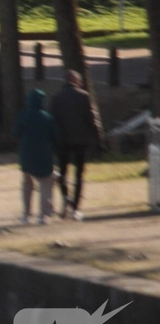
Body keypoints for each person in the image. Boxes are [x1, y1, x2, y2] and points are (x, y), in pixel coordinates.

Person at [50, 70, 97, 220]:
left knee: (63, 172)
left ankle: (65, 199)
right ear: (77, 81)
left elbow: (53, 120)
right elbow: (91, 119)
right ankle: (76, 206)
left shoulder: (56, 98)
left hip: (62, 141)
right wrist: (97, 138)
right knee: (79, 174)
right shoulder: (84, 96)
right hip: (80, 140)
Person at [16, 88, 60, 224]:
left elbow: (16, 132)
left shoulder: (24, 115)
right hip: (44, 155)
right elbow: (56, 137)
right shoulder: (47, 117)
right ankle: (43, 215)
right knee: (45, 185)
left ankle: (26, 214)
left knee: (27, 185)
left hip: (26, 155)